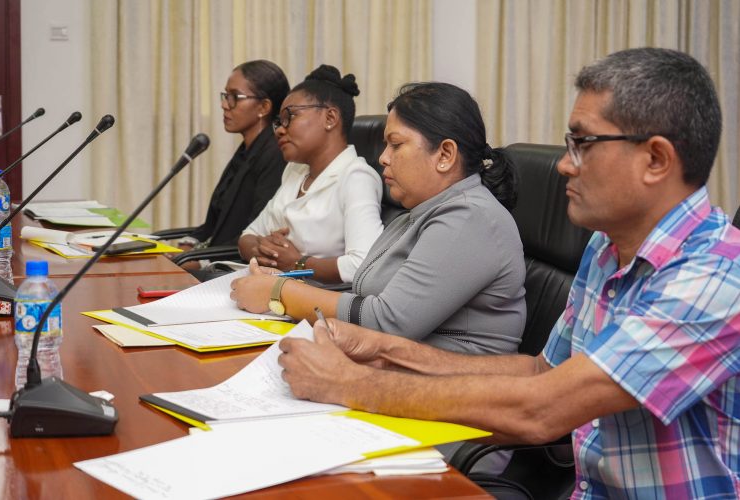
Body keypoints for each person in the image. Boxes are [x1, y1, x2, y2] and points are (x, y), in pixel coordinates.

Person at [276, 48, 740, 498]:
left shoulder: (718, 276)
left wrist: (351, 384)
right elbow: (540, 370)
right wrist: (387, 348)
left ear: (656, 160)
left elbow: (545, 408)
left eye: (582, 144)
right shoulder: (607, 248)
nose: (563, 165)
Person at [233, 82, 526, 355]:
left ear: (445, 154)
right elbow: (361, 296)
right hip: (394, 371)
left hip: (456, 392)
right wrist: (285, 281)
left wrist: (280, 292)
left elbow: (389, 321)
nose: (383, 158)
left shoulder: (470, 217)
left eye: (396, 145)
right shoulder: (416, 215)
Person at [237, 65, 383, 284]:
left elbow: (364, 265)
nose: (279, 129)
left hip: (315, 305)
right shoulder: (295, 172)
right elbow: (247, 236)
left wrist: (298, 264)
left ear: (330, 118)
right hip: (270, 289)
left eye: (290, 116)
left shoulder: (355, 177)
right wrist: (265, 249)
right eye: (279, 121)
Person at [177, 60, 289, 256]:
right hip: (210, 257)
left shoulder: (275, 155)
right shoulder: (246, 149)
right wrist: (188, 245)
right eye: (225, 95)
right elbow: (216, 223)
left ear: (264, 107)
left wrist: (197, 260)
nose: (224, 105)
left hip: (233, 266)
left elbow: (257, 232)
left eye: (234, 97)